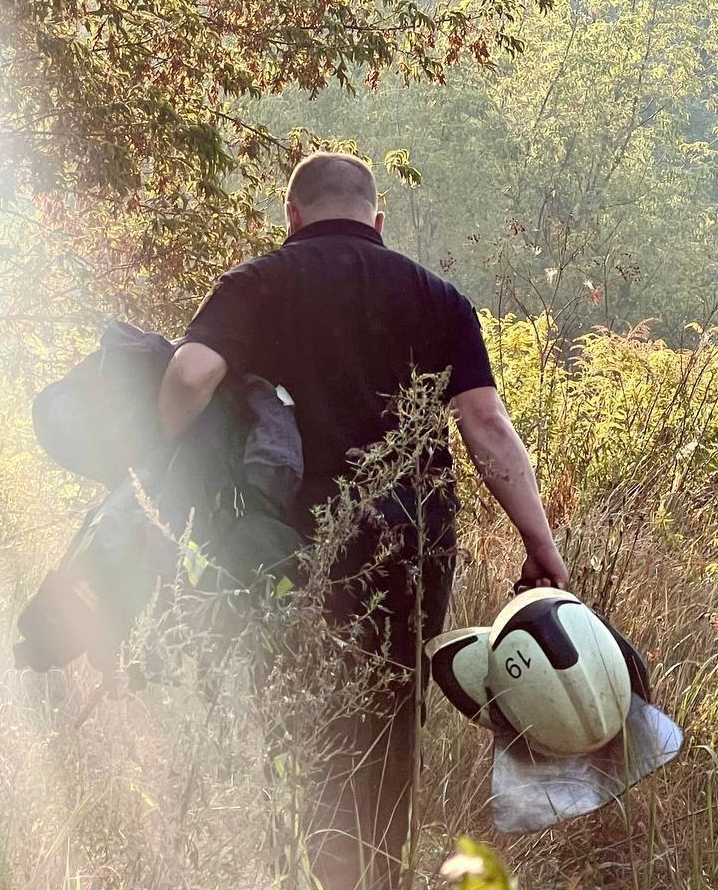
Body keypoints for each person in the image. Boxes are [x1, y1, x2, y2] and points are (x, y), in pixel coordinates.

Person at [155, 151, 569, 889]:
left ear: (292, 216)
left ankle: (293, 870)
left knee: (293, 709)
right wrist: (539, 544)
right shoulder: (437, 297)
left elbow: (189, 373)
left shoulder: (257, 283)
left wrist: (157, 460)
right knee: (386, 725)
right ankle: (375, 876)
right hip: (410, 548)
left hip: (290, 544)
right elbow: (486, 426)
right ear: (378, 219)